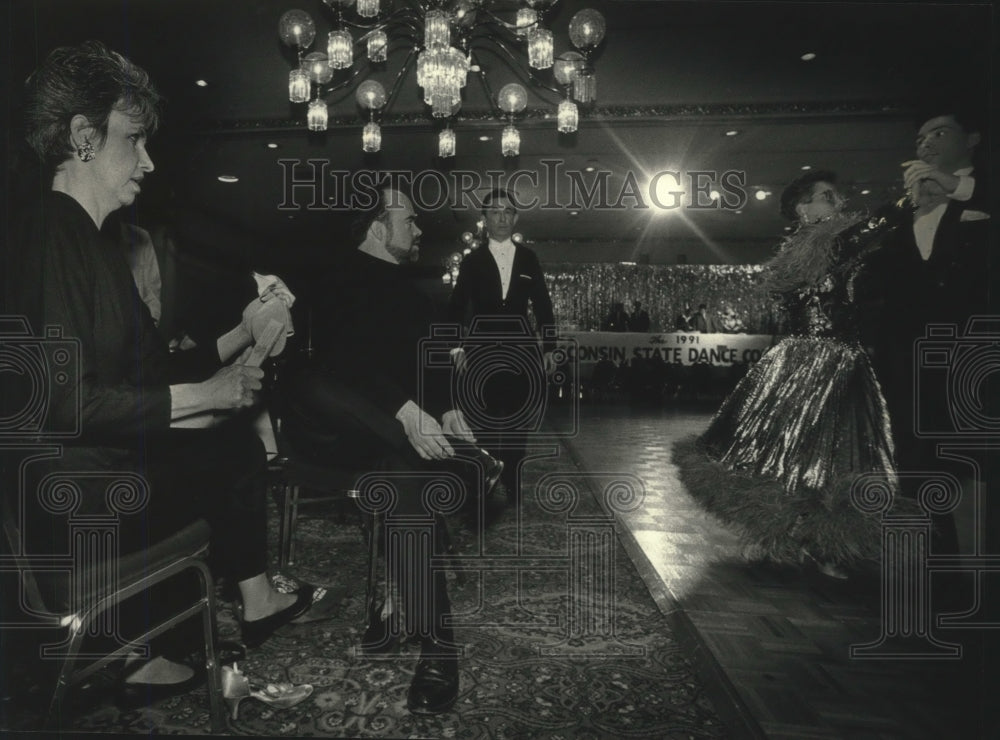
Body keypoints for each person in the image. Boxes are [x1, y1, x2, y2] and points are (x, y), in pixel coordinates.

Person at [1, 41, 332, 705]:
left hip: (94, 478)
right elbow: (62, 404)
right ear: (83, 136)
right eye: (134, 139)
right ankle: (184, 628)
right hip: (73, 501)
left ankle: (153, 642)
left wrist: (243, 333)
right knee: (231, 452)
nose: (148, 161)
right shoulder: (50, 235)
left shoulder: (90, 242)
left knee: (226, 444)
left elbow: (153, 367)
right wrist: (204, 396)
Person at [306, 184, 502, 715]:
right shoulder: (333, 278)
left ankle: (438, 644)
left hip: (400, 444)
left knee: (403, 479)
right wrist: (405, 411)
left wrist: (448, 410)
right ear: (377, 227)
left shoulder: (413, 295)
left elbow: (430, 368)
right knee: (328, 390)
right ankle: (461, 461)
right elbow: (339, 362)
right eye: (409, 220)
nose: (418, 229)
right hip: (337, 435)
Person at [673, 170, 908, 578]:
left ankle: (818, 542)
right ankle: (788, 536)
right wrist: (906, 203)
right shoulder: (822, 246)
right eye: (825, 196)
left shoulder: (828, 247)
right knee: (790, 452)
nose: (837, 201)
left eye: (836, 195)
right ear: (803, 209)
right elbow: (864, 233)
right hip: (811, 362)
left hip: (827, 362)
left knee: (819, 455)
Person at [865, 102, 991, 557]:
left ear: (971, 140)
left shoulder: (982, 195)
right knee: (916, 457)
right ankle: (934, 557)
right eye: (920, 139)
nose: (926, 144)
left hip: (972, 361)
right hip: (907, 362)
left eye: (939, 133)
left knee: (971, 462)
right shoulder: (899, 216)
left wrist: (955, 187)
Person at [447, 188, 556, 500]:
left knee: (517, 422)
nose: (502, 217)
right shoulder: (473, 261)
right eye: (495, 211)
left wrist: (550, 347)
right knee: (483, 419)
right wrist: (456, 347)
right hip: (480, 351)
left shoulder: (528, 259)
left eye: (508, 211)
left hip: (521, 352)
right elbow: (456, 307)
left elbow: (543, 304)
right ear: (484, 218)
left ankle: (512, 484)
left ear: (516, 218)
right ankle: (486, 482)